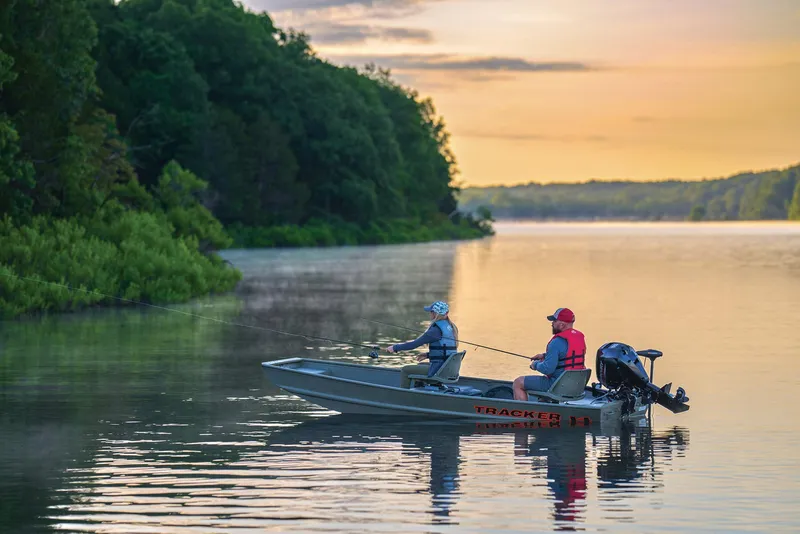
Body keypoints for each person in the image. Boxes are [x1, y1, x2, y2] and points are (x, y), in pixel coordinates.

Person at [513, 307, 586, 401]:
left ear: (562, 324)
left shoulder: (556, 342)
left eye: (554, 321)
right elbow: (567, 356)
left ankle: (521, 413)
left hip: (557, 385)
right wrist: (544, 356)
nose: (552, 324)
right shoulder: (579, 338)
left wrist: (535, 365)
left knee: (518, 383)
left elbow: (548, 369)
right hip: (575, 386)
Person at [386, 300, 459, 388]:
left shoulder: (435, 331)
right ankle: (422, 391)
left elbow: (413, 345)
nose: (430, 314)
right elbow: (445, 350)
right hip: (447, 369)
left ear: (434, 314)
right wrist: (428, 355)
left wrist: (394, 347)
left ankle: (404, 394)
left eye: (430, 312)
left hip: (438, 369)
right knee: (419, 366)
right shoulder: (451, 327)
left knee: (406, 370)